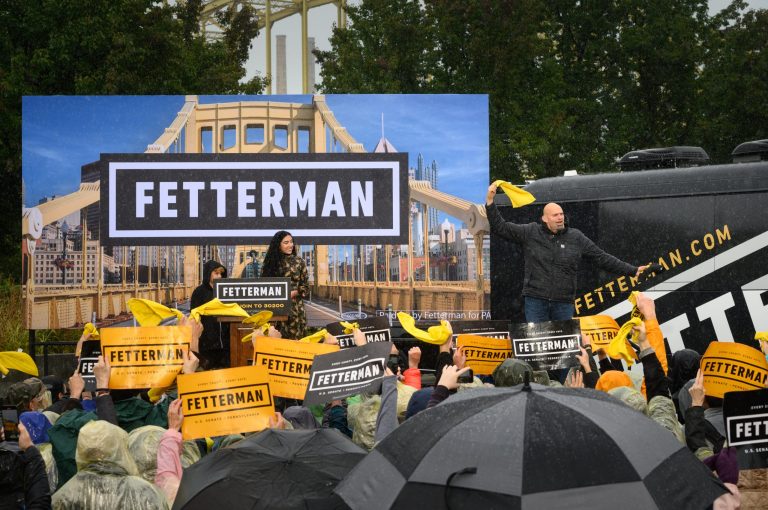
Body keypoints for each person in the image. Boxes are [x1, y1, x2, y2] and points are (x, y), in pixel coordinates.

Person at [485, 183, 649, 321]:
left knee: (565, 350)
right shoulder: (530, 232)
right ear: (545, 219)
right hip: (536, 301)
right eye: (555, 215)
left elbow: (601, 257)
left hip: (563, 303)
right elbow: (501, 227)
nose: (560, 218)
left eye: (561, 214)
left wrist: (632, 270)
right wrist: (490, 201)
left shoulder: (576, 237)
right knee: (537, 345)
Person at [260, 231, 309, 340]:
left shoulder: (299, 262)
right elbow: (263, 287)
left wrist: (293, 293)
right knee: (276, 343)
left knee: (295, 345)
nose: (290, 245)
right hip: (275, 310)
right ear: (278, 245)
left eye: (291, 242)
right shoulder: (271, 263)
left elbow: (306, 287)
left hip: (295, 310)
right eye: (286, 242)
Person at [190, 259, 230, 369]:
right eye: (216, 273)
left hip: (225, 346)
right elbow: (194, 317)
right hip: (206, 345)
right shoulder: (199, 292)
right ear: (208, 274)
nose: (219, 276)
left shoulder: (226, 290)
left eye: (221, 274)